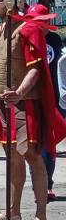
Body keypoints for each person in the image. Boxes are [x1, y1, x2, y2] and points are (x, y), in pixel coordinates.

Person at [0, 0, 66, 220]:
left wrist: (19, 91)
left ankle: (41, 216)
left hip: (24, 104)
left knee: (32, 157)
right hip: (1, 104)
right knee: (13, 159)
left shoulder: (27, 29)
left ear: (8, 2)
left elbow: (36, 68)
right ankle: (13, 211)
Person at [41, 25, 63, 201]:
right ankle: (39, 186)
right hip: (33, 98)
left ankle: (47, 185)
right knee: (36, 147)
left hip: (54, 98)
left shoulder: (55, 39)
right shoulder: (25, 37)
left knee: (50, 145)